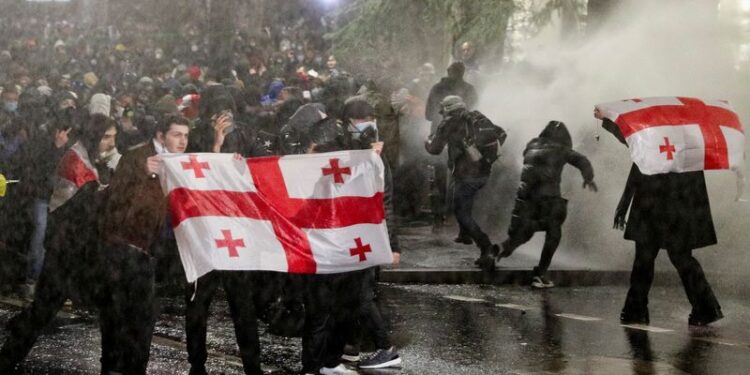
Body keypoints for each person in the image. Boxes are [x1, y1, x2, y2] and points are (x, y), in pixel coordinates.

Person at [0, 114, 118, 374]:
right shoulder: (75, 162)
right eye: (107, 136)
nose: (111, 142)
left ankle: (111, 367)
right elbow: (72, 208)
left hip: (84, 251)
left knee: (111, 309)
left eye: (113, 137)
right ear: (94, 135)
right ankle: (8, 356)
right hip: (67, 251)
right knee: (45, 309)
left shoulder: (95, 161)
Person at [595, 110, 723, 326]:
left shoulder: (653, 139)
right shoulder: (690, 144)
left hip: (651, 208)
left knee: (645, 259)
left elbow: (630, 143)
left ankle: (637, 311)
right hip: (677, 210)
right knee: (680, 259)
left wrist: (607, 119)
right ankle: (706, 308)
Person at [97, 114, 190, 374]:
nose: (183, 141)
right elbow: (116, 198)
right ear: (161, 136)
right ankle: (116, 367)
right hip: (122, 248)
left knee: (139, 318)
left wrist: (219, 152)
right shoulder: (137, 158)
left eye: (185, 135)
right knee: (120, 315)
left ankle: (131, 367)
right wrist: (142, 172)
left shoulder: (176, 162)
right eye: (176, 134)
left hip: (145, 250)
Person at [496, 121, 597, 288]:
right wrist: (588, 178)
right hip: (548, 199)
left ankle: (501, 248)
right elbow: (582, 160)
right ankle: (541, 273)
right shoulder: (560, 149)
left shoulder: (531, 147)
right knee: (554, 232)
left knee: (528, 230)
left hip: (527, 198)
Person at [425, 95, 499, 271]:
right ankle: (465, 234)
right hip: (484, 171)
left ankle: (486, 247)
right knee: (466, 203)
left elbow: (435, 149)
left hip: (466, 174)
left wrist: (427, 141)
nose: (442, 113)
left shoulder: (448, 123)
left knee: (461, 212)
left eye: (443, 109)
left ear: (449, 109)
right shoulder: (478, 117)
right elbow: (499, 134)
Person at [424, 62, 478, 230]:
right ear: (463, 73)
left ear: (448, 72)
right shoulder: (470, 89)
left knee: (438, 176)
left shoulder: (436, 88)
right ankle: (455, 216)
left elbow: (427, 115)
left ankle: (438, 217)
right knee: (461, 174)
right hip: (462, 137)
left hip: (439, 134)